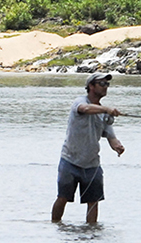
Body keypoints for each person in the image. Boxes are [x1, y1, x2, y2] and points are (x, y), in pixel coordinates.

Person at [51, 72, 125, 224]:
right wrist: (106, 109)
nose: (106, 87)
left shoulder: (104, 113)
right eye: (102, 84)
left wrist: (117, 146)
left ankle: (91, 231)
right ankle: (55, 226)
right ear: (91, 86)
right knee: (62, 198)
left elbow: (111, 136)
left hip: (92, 164)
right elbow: (84, 109)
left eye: (107, 84)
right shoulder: (80, 101)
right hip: (70, 160)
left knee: (93, 202)